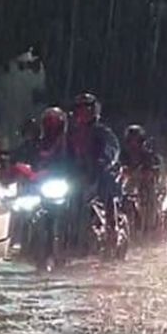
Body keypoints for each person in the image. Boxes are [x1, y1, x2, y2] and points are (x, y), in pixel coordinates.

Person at [67, 93, 123, 249]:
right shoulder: (70, 134)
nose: (82, 112)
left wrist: (104, 160)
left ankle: (112, 229)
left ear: (94, 110)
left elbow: (112, 148)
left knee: (107, 186)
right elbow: (61, 152)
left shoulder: (102, 132)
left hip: (96, 174)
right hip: (75, 176)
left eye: (86, 108)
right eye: (79, 109)